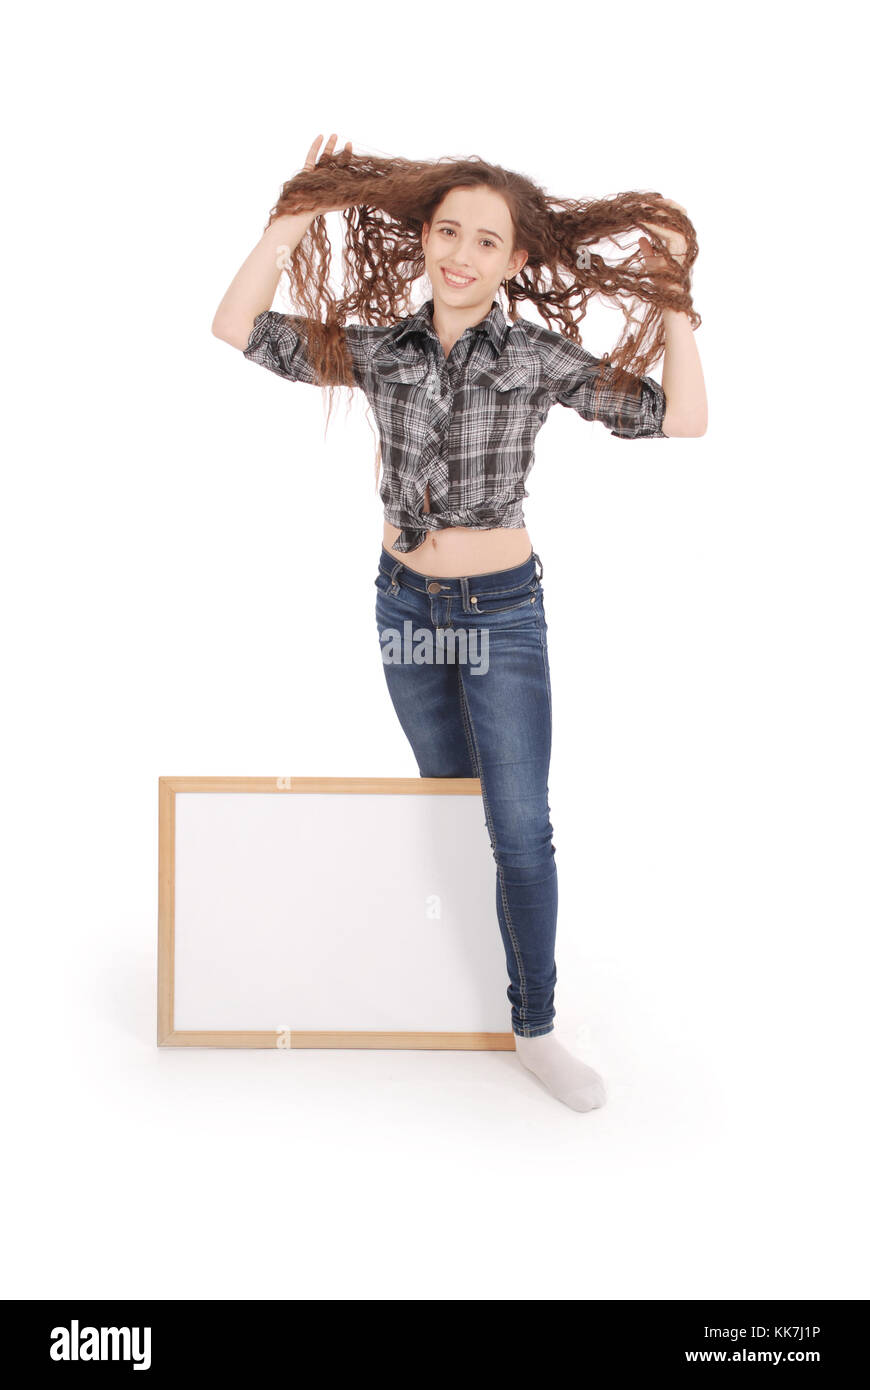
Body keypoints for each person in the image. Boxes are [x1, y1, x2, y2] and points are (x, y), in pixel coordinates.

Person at [212, 134, 707, 1112]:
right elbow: (239, 328)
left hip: (501, 614)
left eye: (488, 241)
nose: (463, 254)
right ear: (427, 239)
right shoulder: (383, 348)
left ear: (517, 261)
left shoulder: (532, 355)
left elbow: (678, 419)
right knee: (449, 800)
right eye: (449, 232)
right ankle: (463, 978)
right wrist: (292, 219)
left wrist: (675, 306)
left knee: (519, 827)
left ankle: (536, 1025)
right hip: (404, 605)